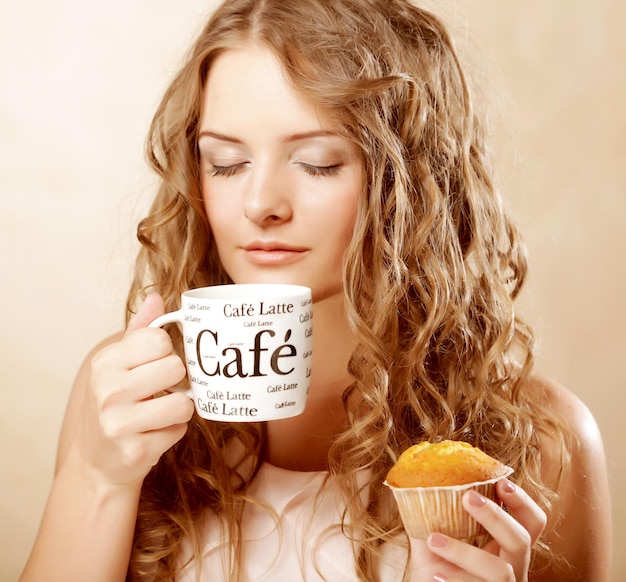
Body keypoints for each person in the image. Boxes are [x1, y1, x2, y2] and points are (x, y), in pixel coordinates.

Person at [21, 0, 612, 580]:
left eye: (319, 163)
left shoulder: (541, 444)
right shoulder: (123, 399)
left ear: (411, 183)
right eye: (225, 163)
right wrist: (97, 478)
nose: (260, 205)